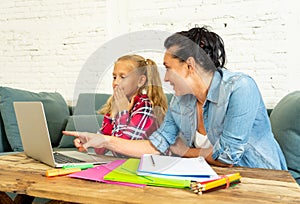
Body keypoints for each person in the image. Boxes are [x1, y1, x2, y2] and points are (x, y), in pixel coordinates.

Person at [63, 27, 287, 170]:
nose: (166, 78)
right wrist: (103, 140)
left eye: (169, 68)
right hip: (213, 180)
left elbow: (227, 158)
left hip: (262, 179)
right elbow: (156, 145)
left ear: (189, 66)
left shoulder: (240, 87)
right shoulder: (182, 100)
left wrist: (186, 152)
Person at [86, 54, 168, 157]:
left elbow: (122, 152)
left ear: (140, 81)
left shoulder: (145, 107)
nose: (116, 82)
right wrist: (112, 116)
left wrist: (122, 113)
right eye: (114, 77)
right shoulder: (118, 105)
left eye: (122, 77)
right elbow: (99, 150)